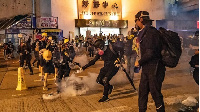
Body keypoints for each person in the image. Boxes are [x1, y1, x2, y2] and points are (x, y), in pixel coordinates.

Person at [134, 11, 165, 112]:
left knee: (155, 93)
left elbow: (150, 53)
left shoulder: (151, 32)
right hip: (147, 68)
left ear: (141, 19)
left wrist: (139, 62)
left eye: (136, 21)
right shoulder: (143, 33)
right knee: (142, 93)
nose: (135, 23)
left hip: (155, 68)